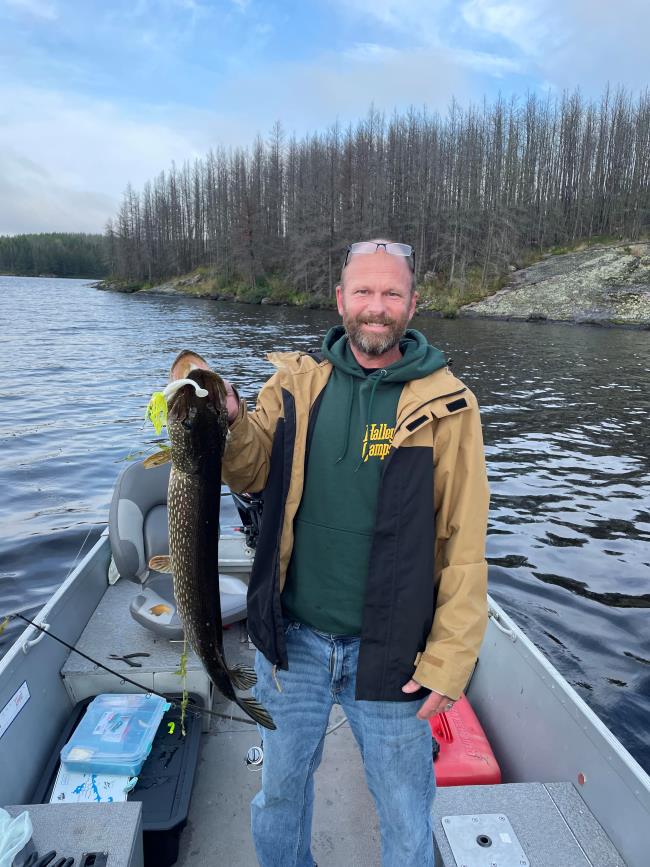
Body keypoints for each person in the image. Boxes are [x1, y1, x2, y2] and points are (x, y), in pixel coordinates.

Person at [181, 240, 490, 866]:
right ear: (341, 298)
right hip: (292, 642)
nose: (377, 308)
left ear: (412, 303)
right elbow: (248, 472)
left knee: (406, 810)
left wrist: (449, 662)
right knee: (279, 794)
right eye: (365, 293)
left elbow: (466, 545)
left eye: (392, 294)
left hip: (394, 655)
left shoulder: (450, 405)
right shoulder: (294, 383)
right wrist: (234, 421)